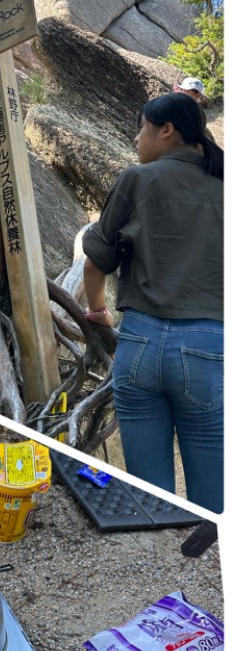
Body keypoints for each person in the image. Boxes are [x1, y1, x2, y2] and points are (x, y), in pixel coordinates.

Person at [81, 93, 223, 513]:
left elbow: (95, 264)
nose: (137, 139)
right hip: (207, 349)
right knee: (213, 499)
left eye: (141, 128)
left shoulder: (137, 179)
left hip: (139, 345)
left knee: (149, 498)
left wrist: (97, 311)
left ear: (166, 131)